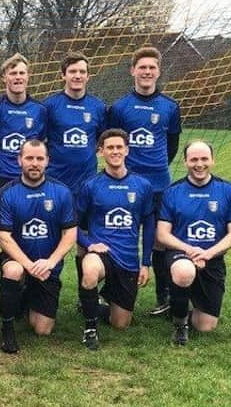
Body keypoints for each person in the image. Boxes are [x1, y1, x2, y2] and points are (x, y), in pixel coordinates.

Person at [108, 46, 182, 316]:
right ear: (133, 71)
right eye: (142, 67)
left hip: (159, 185)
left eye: (152, 67)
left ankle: (164, 296)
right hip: (126, 184)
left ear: (158, 71)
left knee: (161, 240)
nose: (147, 72)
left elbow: (172, 145)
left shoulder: (170, 107)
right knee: (116, 233)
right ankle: (109, 293)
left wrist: (156, 165)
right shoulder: (119, 107)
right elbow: (111, 141)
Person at [156, 140, 231, 346]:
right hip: (180, 255)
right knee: (184, 271)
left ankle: (179, 302)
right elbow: (162, 235)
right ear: (185, 161)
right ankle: (179, 324)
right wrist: (190, 250)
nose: (199, 164)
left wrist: (208, 253)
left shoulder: (229, 191)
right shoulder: (172, 191)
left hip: (211, 259)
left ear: (212, 160)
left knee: (205, 326)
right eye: (193, 159)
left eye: (204, 159)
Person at [0, 140, 76, 353]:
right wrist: (28, 265)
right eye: (29, 158)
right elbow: (4, 237)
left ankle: (25, 297)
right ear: (19, 160)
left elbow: (70, 234)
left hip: (47, 267)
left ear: (47, 161)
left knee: (42, 330)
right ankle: (7, 328)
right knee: (13, 270)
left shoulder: (61, 191)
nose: (34, 163)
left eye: (40, 158)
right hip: (20, 262)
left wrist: (50, 262)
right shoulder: (7, 193)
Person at [76, 129, 154, 350]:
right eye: (110, 147)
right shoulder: (91, 185)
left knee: (120, 324)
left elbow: (149, 225)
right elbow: (72, 226)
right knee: (90, 269)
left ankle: (94, 302)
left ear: (127, 150)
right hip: (102, 253)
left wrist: (146, 263)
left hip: (128, 259)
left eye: (119, 147)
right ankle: (90, 328)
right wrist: (90, 244)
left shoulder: (142, 186)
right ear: (101, 152)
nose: (115, 151)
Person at [43, 51, 107, 301]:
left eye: (82, 72)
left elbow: (102, 141)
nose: (77, 76)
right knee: (50, 237)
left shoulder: (98, 107)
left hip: (86, 184)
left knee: (85, 241)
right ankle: (44, 291)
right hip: (57, 184)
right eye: (72, 72)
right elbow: (41, 141)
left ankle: (86, 297)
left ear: (88, 76)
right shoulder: (50, 106)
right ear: (63, 75)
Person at [0, 53, 48, 206]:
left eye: (21, 73)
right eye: (13, 73)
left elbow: (43, 147)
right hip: (3, 179)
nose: (18, 77)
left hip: (31, 179)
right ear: (4, 78)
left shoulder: (40, 110)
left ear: (28, 76)